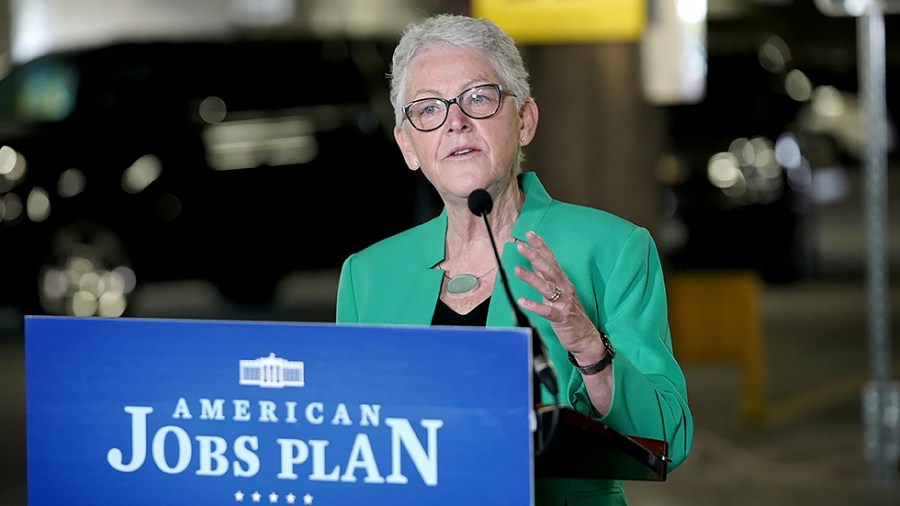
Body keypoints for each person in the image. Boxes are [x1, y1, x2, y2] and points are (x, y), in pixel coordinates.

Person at [336, 13, 692, 504]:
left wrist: (589, 349)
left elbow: (669, 440)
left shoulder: (612, 249)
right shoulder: (367, 275)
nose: (455, 122)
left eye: (478, 98)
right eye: (427, 109)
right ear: (408, 146)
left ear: (524, 120)